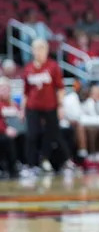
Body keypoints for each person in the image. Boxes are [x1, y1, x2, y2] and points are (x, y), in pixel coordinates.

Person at [21, 39, 70, 173]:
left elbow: (60, 88)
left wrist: (60, 106)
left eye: (42, 49)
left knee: (51, 134)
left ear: (47, 51)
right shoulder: (28, 68)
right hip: (32, 107)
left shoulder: (53, 66)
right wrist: (22, 109)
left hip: (50, 106)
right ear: (32, 51)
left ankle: (45, 159)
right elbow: (25, 92)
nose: (40, 52)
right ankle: (30, 165)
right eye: (37, 49)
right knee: (32, 135)